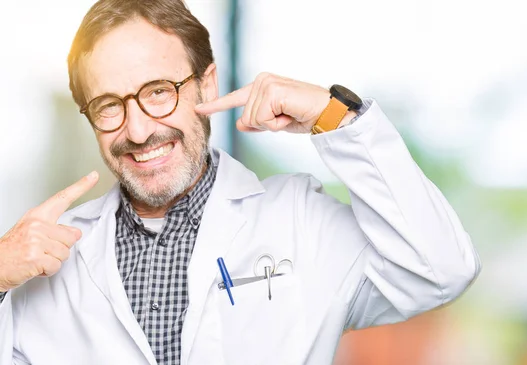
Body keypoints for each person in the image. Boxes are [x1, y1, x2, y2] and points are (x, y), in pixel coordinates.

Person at [0, 0, 481, 364]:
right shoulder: (42, 264)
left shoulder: (300, 222)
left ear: (206, 86)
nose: (139, 129)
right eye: (109, 105)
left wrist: (333, 116)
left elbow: (440, 269)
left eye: (159, 92)